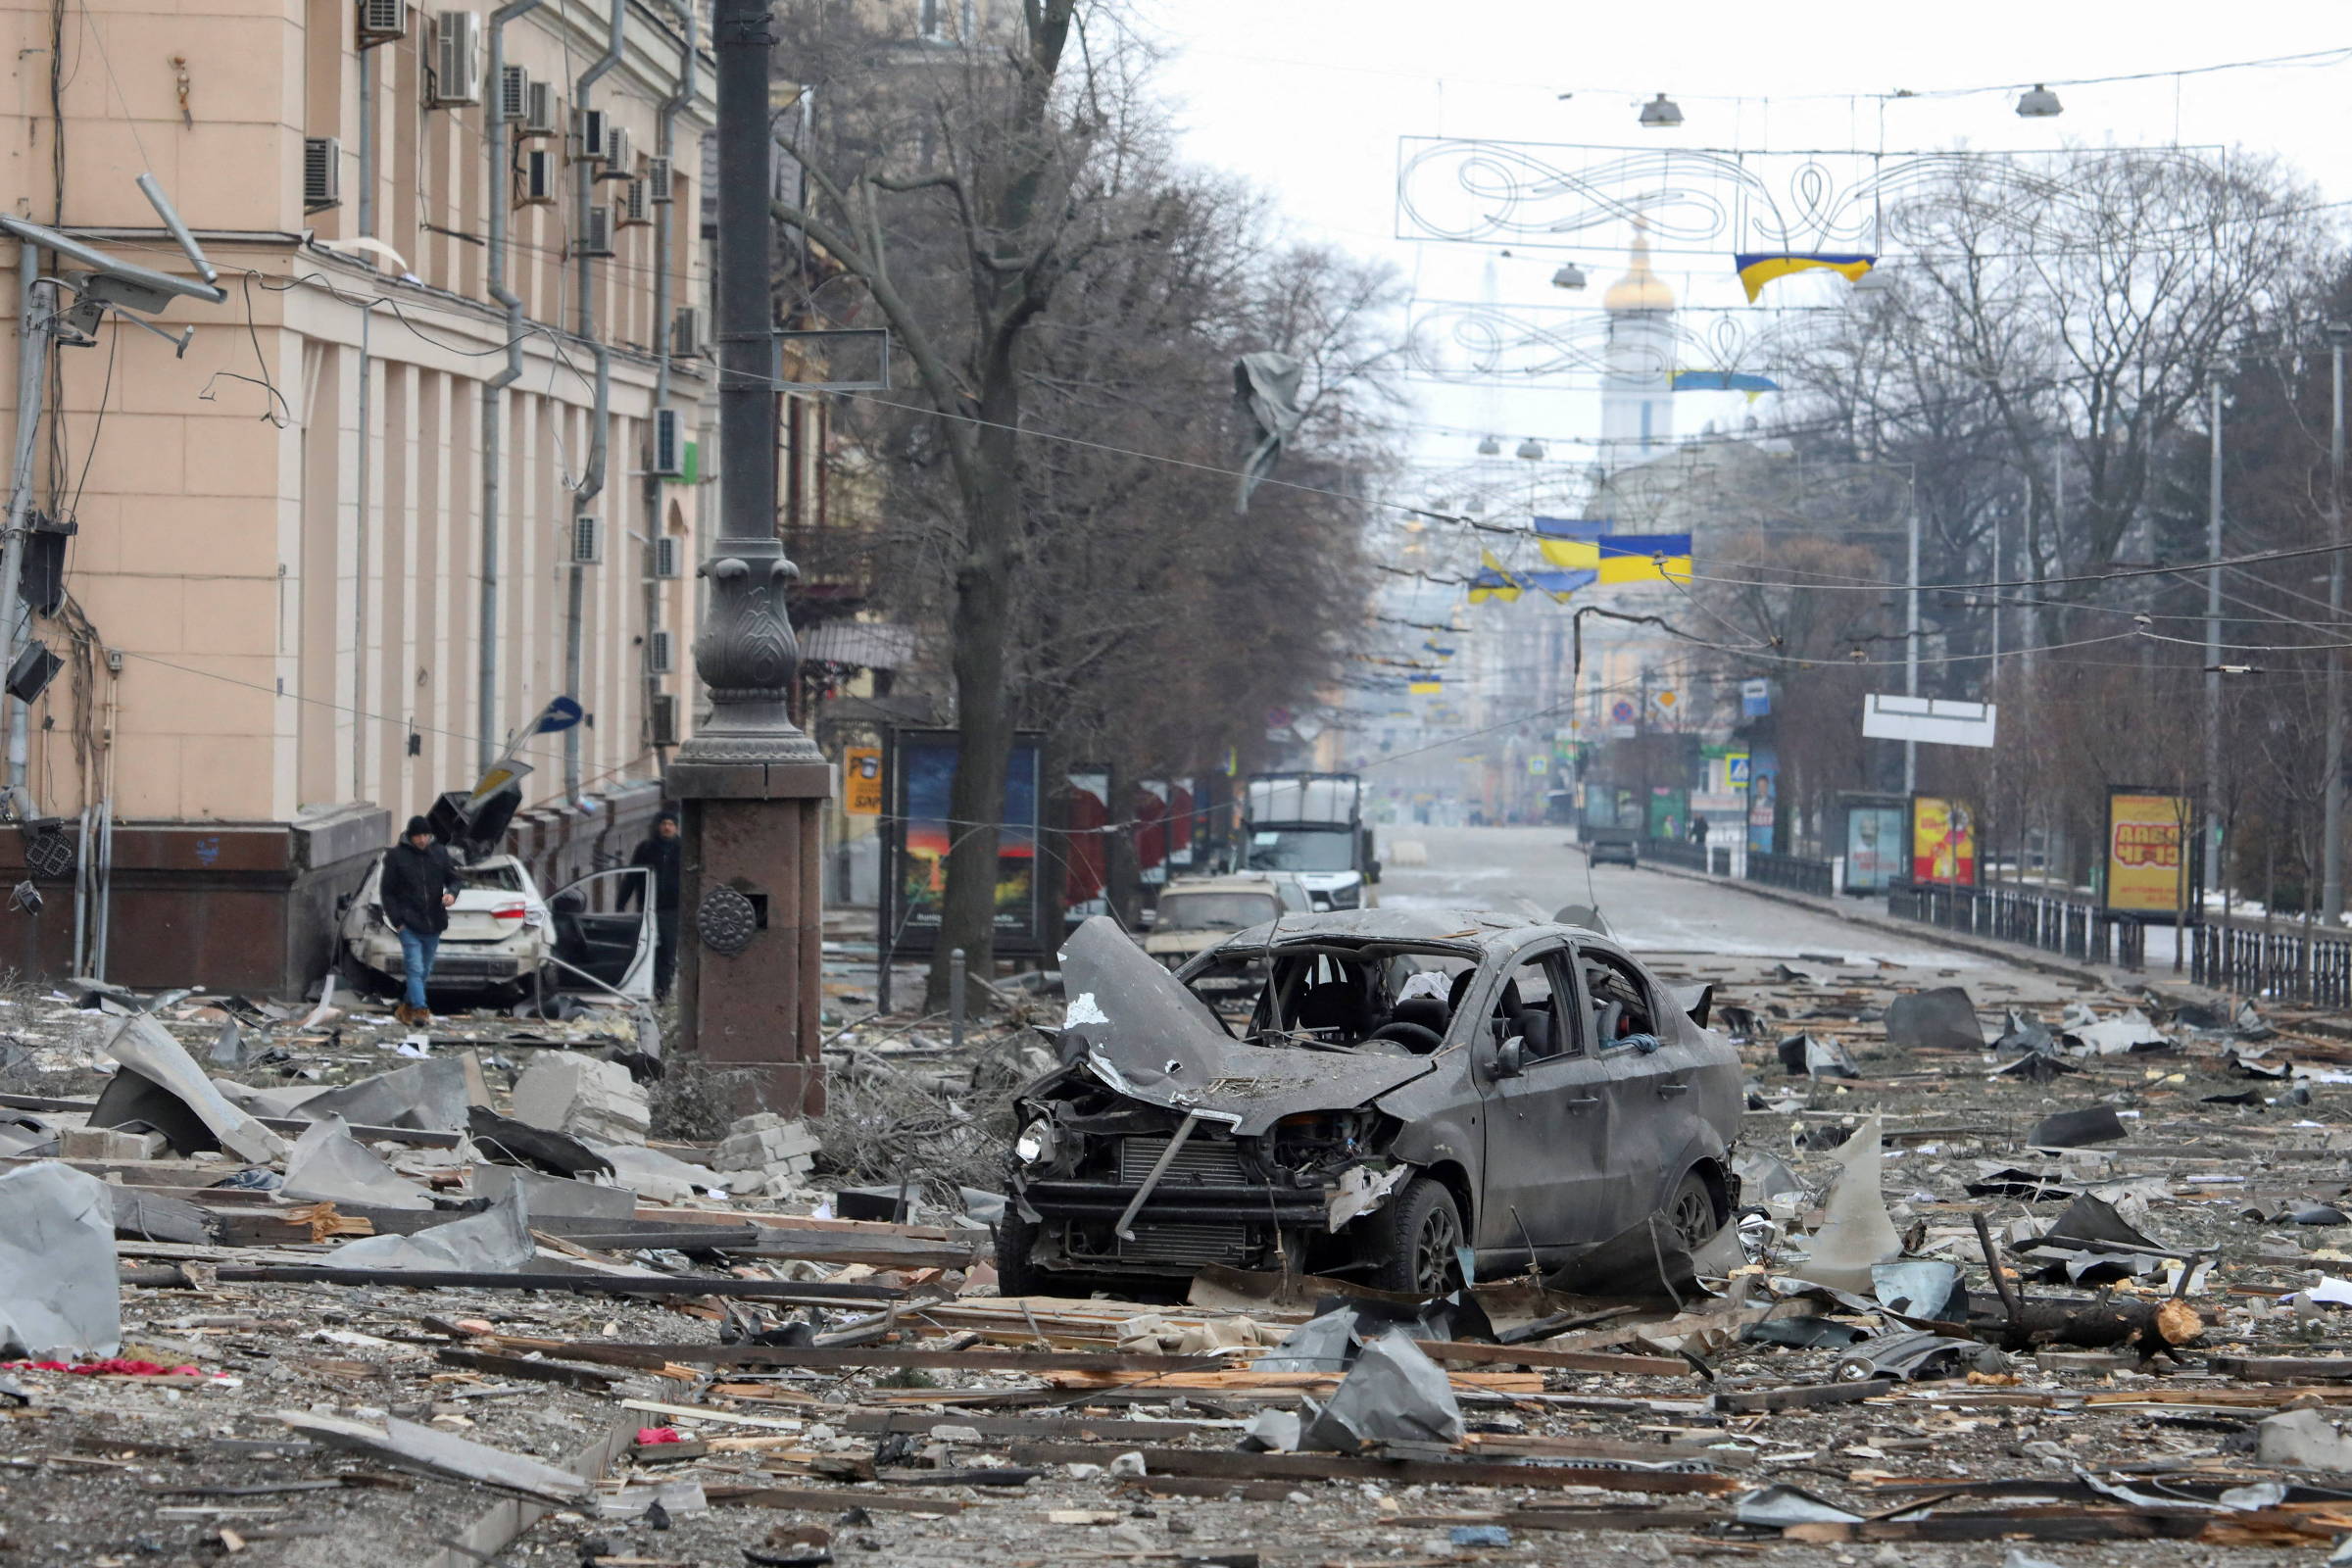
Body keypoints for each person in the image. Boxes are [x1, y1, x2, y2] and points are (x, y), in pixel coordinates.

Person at [379, 814, 460, 1026]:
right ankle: (421, 1010)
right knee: (414, 968)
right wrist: (398, 921)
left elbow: (454, 878)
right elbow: (387, 892)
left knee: (424, 970)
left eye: (426, 835)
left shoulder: (439, 853)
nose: (422, 840)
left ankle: (405, 1009)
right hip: (409, 923)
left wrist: (451, 893)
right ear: (410, 836)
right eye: (418, 836)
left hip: (433, 922)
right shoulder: (397, 857)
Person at [627, 808, 683, 1000]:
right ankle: (648, 987)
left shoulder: (683, 848)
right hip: (648, 907)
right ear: (658, 827)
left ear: (676, 828)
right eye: (664, 824)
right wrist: (621, 901)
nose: (667, 828)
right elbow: (632, 877)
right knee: (647, 948)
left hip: (672, 909)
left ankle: (663, 990)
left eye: (671, 824)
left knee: (668, 950)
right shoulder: (646, 849)